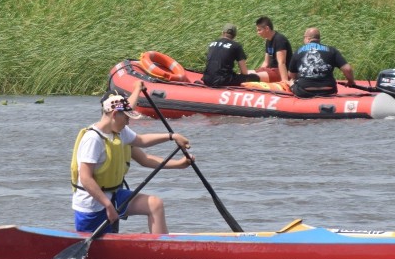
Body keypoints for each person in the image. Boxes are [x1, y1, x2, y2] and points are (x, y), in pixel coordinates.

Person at [70, 81, 192, 235]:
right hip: (93, 204)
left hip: (114, 195)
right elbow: (86, 178)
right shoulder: (93, 139)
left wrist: (172, 136)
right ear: (114, 114)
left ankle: (161, 248)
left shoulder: (120, 131)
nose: (129, 121)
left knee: (155, 204)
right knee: (103, 245)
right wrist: (108, 206)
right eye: (127, 117)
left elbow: (141, 140)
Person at [288, 27, 356, 97]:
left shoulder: (298, 52)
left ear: (308, 38)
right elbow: (347, 69)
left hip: (305, 91)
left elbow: (292, 75)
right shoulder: (332, 50)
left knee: (291, 81)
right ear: (319, 39)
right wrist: (351, 81)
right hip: (329, 90)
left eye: (304, 38)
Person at [201, 24, 269, 86]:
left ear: (222, 33)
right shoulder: (236, 46)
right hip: (223, 81)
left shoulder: (212, 44)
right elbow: (244, 72)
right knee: (253, 77)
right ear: (234, 36)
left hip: (206, 79)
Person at [255, 16, 293, 83]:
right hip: (272, 70)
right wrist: (260, 70)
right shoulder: (268, 40)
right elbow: (266, 62)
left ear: (267, 28)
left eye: (259, 30)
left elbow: (282, 62)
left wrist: (285, 81)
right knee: (247, 73)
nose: (258, 32)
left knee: (252, 77)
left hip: (280, 71)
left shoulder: (279, 39)